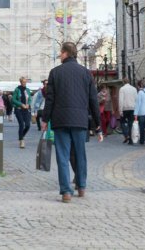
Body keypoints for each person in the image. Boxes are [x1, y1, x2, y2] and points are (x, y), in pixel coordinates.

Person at [44, 41, 102, 202]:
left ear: (65, 53)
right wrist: (98, 123)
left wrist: (45, 119)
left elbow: (50, 99)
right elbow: (93, 100)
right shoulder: (86, 73)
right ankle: (81, 187)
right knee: (80, 154)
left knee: (63, 156)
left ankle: (66, 192)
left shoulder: (55, 72)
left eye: (61, 52)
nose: (59, 55)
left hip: (61, 120)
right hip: (80, 120)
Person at [12, 77, 32, 148]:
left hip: (26, 110)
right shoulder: (17, 89)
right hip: (19, 109)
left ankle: (21, 136)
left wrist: (28, 104)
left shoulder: (28, 90)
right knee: (21, 125)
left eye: (25, 82)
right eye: (23, 82)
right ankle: (22, 141)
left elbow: (29, 99)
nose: (24, 83)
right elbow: (13, 100)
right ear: (20, 82)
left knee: (28, 125)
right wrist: (21, 104)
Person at [118, 78, 137, 144]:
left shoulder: (122, 89)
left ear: (123, 82)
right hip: (132, 108)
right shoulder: (134, 89)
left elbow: (121, 100)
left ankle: (126, 135)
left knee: (122, 122)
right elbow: (136, 99)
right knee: (130, 123)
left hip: (125, 108)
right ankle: (131, 139)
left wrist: (120, 110)